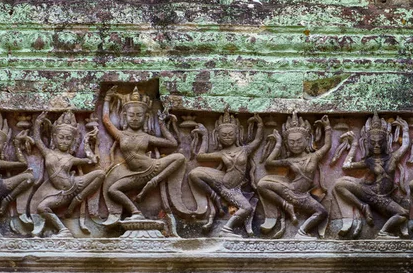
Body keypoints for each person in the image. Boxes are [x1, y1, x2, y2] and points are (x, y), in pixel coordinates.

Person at [102, 86, 196, 225]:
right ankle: (135, 212)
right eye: (131, 115)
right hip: (136, 175)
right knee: (113, 190)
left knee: (180, 157)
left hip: (153, 168)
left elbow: (172, 142)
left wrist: (161, 124)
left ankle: (155, 181)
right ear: (125, 116)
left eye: (139, 115)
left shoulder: (146, 137)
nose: (135, 119)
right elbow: (106, 120)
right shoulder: (121, 135)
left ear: (145, 117)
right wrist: (107, 98)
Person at [332, 113, 410, 239]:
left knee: (403, 214)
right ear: (367, 143)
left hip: (383, 198)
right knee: (339, 184)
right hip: (369, 192)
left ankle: (383, 232)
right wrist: (354, 145)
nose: (377, 145)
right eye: (373, 143)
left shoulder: (392, 158)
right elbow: (346, 166)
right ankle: (363, 206)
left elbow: (405, 145)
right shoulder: (369, 161)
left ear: (386, 142)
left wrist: (405, 130)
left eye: (380, 142)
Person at [188, 111, 263, 237]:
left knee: (247, 208)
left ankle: (226, 229)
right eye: (224, 135)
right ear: (218, 136)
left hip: (234, 189)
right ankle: (214, 196)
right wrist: (205, 136)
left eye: (230, 134)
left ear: (237, 134)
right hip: (223, 183)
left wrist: (260, 125)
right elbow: (200, 156)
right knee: (194, 173)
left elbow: (258, 140)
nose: (227, 137)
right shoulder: (222, 153)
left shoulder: (244, 150)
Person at [30, 111, 104, 237]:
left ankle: (76, 202)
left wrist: (88, 145)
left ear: (73, 141)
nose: (64, 141)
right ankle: (63, 230)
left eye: (68, 138)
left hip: (75, 185)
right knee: (42, 207)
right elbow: (37, 139)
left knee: (100, 174)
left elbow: (91, 161)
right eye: (61, 137)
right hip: (60, 194)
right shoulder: (48, 153)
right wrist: (38, 122)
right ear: (54, 137)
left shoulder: (71, 158)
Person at [258, 112, 332, 239]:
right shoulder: (289, 160)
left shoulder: (314, 156)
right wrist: (278, 143)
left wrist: (327, 127)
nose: (295, 145)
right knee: (262, 184)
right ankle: (286, 205)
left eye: (299, 141)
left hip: (303, 196)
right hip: (290, 191)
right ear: (287, 144)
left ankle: (301, 233)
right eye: (291, 142)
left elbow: (327, 145)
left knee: (322, 212)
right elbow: (269, 163)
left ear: (307, 140)